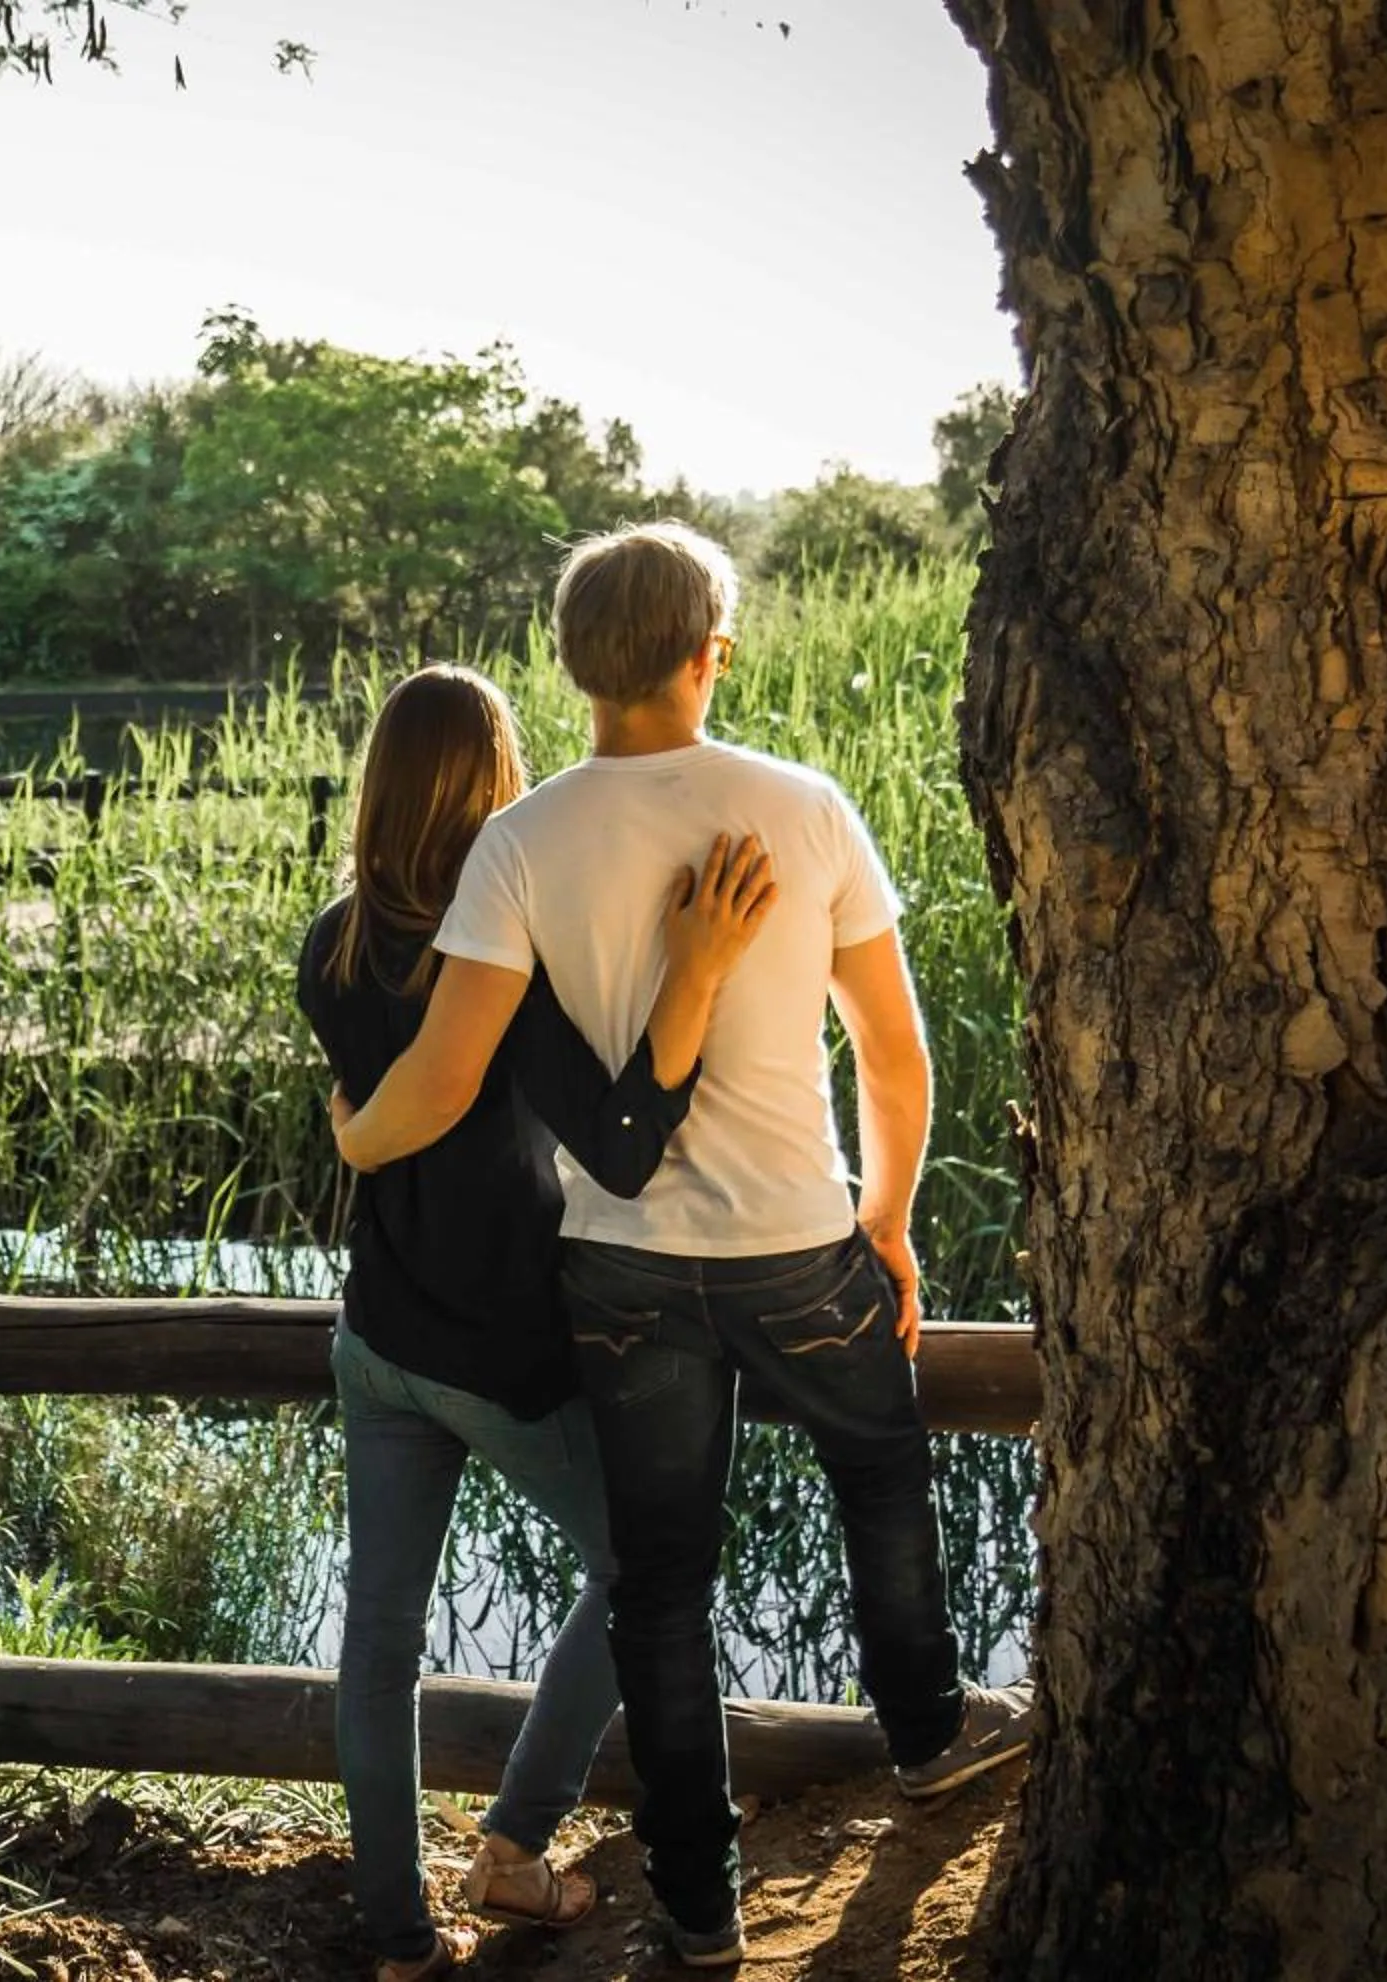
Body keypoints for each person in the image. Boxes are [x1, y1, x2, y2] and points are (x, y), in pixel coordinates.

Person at [334, 526, 1033, 1970]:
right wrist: (888, 1219)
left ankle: (699, 1910)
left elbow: (452, 1071)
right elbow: (892, 1053)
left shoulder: (521, 843)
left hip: (621, 1270)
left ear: (577, 662)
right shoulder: (804, 805)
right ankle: (926, 1731)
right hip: (796, 1239)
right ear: (710, 653)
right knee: (883, 1479)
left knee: (658, 1582)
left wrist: (352, 1138)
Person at [298, 663, 774, 1982]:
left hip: (379, 1338)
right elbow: (619, 1148)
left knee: (378, 1636)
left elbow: (378, 1123)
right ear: (494, 785)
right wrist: (693, 968)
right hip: (502, 1352)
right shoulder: (509, 949)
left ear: (384, 782)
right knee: (647, 1570)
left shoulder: (328, 943)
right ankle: (512, 1842)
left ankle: (399, 1937)